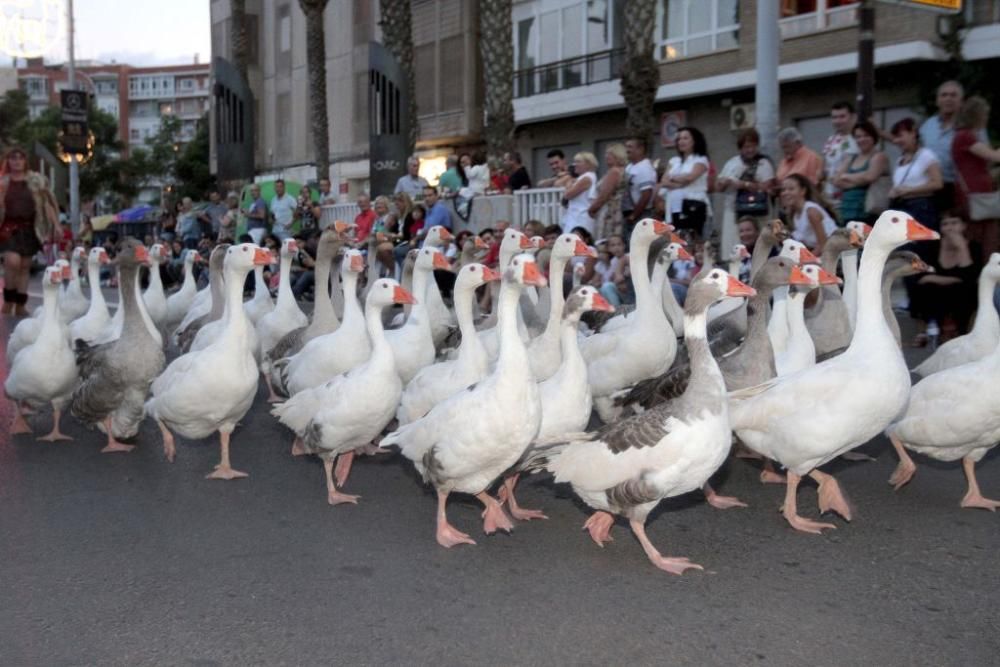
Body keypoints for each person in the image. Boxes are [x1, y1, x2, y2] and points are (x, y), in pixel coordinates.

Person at [909, 212, 982, 346]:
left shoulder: (974, 247)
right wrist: (956, 279)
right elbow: (922, 276)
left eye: (954, 223)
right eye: (945, 224)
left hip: (961, 291)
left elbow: (970, 277)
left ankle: (964, 331)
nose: (949, 228)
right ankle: (923, 333)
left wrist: (962, 247)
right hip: (936, 290)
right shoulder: (931, 247)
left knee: (967, 289)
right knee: (922, 288)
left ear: (964, 226)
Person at [0, 147, 57, 314]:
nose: (16, 161)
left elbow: (47, 204)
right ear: (8, 161)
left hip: (30, 228)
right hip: (8, 228)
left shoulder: (36, 181)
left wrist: (57, 225)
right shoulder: (3, 182)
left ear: (25, 161)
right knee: (12, 262)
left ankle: (20, 304)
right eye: (13, 158)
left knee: (25, 266)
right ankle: (8, 299)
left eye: (20, 158)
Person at [919, 80, 981, 211]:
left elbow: (985, 158)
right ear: (937, 100)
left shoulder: (972, 126)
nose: (948, 98)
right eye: (944, 95)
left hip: (959, 187)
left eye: (953, 95)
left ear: (961, 100)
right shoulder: (928, 125)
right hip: (929, 187)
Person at [952, 96, 1000, 260]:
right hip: (976, 197)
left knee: (987, 240)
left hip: (980, 196)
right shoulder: (966, 136)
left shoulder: (967, 136)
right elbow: (994, 156)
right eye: (984, 114)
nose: (986, 118)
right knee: (986, 241)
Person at [889, 117, 943, 232]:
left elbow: (937, 183)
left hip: (921, 208)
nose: (896, 141)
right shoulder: (899, 160)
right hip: (901, 208)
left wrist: (910, 190)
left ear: (913, 133)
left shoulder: (926, 155)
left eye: (900, 136)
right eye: (895, 137)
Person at [833, 120, 889, 223]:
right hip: (847, 210)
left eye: (866, 135)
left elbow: (870, 176)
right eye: (858, 137)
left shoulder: (879, 156)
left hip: (868, 211)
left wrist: (846, 177)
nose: (862, 139)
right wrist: (861, 180)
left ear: (873, 137)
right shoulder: (851, 158)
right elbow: (836, 180)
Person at [659, 126, 711, 235]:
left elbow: (690, 177)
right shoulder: (674, 161)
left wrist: (672, 178)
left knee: (692, 236)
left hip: (693, 204)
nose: (681, 141)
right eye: (679, 139)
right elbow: (664, 181)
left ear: (694, 141)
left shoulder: (701, 160)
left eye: (685, 138)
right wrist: (679, 182)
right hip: (674, 205)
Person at [717, 128, 776, 221]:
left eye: (754, 146)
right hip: (732, 212)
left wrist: (744, 185)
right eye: (747, 147)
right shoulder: (732, 163)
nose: (750, 150)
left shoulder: (764, 163)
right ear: (740, 148)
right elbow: (718, 188)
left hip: (757, 212)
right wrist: (725, 182)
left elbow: (769, 188)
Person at [781, 174, 837, 255]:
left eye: (791, 189)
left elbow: (823, 245)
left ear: (803, 191)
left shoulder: (811, 211)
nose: (785, 193)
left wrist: (803, 261)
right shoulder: (794, 215)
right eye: (783, 190)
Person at [822, 101, 859, 213]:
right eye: (834, 117)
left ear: (853, 117)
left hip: (847, 196)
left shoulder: (857, 139)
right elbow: (824, 167)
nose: (838, 121)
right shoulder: (831, 139)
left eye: (842, 117)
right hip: (828, 197)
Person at [589, 143, 627, 240]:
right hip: (618, 210)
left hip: (609, 211)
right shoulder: (623, 170)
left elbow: (604, 196)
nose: (606, 156)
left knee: (604, 240)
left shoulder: (614, 171)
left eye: (610, 154)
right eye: (606, 154)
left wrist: (592, 209)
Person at [623, 137, 658, 239]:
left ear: (641, 149)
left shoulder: (645, 168)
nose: (627, 150)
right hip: (628, 212)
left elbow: (646, 194)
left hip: (641, 213)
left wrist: (634, 215)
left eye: (630, 147)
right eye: (626, 147)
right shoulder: (630, 166)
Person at [559, 152, 598, 236]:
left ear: (588, 164)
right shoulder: (583, 177)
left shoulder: (587, 178)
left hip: (580, 217)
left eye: (578, 162)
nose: (574, 164)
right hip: (575, 216)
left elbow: (568, 195)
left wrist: (569, 183)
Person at [595, 234, 633, 307]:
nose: (616, 247)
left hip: (629, 291)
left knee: (607, 287)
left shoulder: (629, 256)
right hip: (619, 290)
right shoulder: (613, 261)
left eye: (619, 244)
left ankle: (616, 310)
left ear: (624, 246)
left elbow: (623, 276)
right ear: (609, 249)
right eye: (613, 245)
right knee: (602, 289)